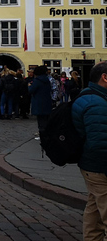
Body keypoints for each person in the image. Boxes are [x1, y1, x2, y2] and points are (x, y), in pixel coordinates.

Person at [71, 62, 107, 241]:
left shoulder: (91, 96)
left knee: (94, 212)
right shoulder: (97, 103)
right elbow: (101, 142)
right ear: (104, 77)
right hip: (100, 166)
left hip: (91, 165)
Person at [29, 66, 53, 136]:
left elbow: (31, 90)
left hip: (38, 102)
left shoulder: (37, 80)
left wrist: (29, 86)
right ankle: (46, 132)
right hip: (46, 101)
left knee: (40, 120)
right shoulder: (47, 80)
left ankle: (42, 134)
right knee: (46, 119)